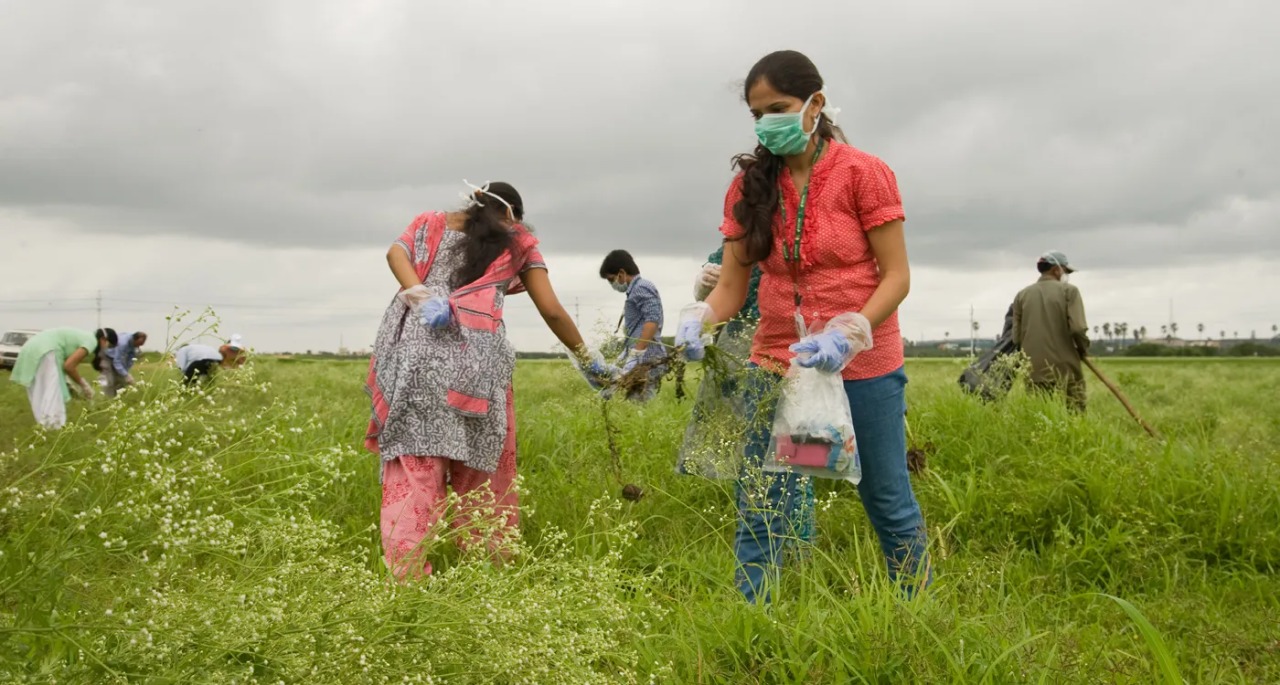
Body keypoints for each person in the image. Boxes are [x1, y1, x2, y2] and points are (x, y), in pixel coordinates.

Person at [674, 50, 930, 603]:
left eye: (780, 108)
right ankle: (752, 613)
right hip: (779, 367)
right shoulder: (748, 189)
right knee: (767, 494)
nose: (768, 123)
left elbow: (897, 275)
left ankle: (914, 609)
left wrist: (852, 329)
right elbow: (731, 288)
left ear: (815, 104)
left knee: (885, 493)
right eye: (756, 113)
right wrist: (701, 320)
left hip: (862, 365)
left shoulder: (865, 173)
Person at [366, 180, 614, 580]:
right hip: (478, 368)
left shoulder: (430, 223)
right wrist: (588, 359)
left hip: (416, 363)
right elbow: (550, 310)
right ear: (512, 215)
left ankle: (406, 582)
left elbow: (396, 252)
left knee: (415, 471)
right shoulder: (519, 244)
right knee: (481, 469)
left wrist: (418, 293)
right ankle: (487, 572)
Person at [679, 246, 820, 551]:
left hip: (792, 346)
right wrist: (704, 283)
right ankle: (759, 541)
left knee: (797, 449)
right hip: (739, 352)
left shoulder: (802, 233)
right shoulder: (742, 233)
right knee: (750, 450)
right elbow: (709, 296)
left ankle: (799, 544)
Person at [1012, 251, 1089, 412]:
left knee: (1039, 414)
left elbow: (1017, 338)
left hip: (1033, 367)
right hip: (1066, 365)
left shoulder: (1022, 295)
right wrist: (1082, 350)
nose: (1067, 275)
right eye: (1066, 271)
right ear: (1056, 270)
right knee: (1075, 413)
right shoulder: (1070, 291)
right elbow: (1078, 328)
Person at [9, 327, 117, 429]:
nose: (106, 348)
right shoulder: (92, 341)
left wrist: (71, 384)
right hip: (47, 350)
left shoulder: (86, 336)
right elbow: (69, 366)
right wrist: (84, 385)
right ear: (103, 339)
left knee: (39, 392)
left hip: (33, 347)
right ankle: (53, 429)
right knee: (53, 395)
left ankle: (43, 429)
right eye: (109, 345)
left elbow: (65, 366)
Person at [600, 249, 666, 402]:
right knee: (632, 399)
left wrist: (638, 352)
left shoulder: (642, 287)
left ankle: (645, 424)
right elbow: (637, 327)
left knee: (641, 402)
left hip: (647, 357)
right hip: (640, 355)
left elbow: (652, 319)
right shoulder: (634, 290)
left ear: (621, 273)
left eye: (611, 279)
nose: (612, 284)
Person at [102, 331, 147, 397]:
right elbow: (116, 361)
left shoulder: (133, 344)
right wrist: (126, 375)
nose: (138, 346)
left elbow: (130, 359)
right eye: (138, 344)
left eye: (141, 345)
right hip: (108, 356)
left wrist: (126, 373)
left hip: (118, 358)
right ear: (135, 339)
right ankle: (108, 399)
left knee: (122, 381)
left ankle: (120, 399)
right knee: (111, 380)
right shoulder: (123, 343)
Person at [173, 342, 241, 386]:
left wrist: (184, 375)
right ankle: (207, 393)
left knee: (187, 382)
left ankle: (186, 395)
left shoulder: (182, 349)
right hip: (217, 359)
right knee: (209, 380)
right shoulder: (194, 346)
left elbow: (181, 366)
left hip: (203, 359)